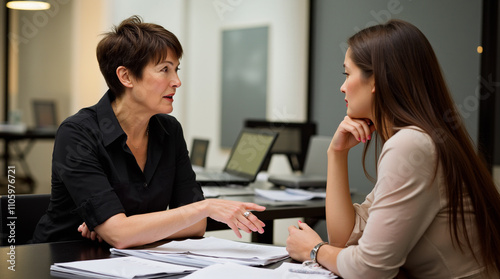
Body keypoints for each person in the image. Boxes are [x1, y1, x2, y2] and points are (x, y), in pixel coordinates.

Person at [286, 19, 500, 278]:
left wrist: (314, 249)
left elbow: (370, 270)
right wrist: (337, 154)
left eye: (347, 74)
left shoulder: (411, 145)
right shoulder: (420, 139)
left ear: (375, 79)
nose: (342, 87)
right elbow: (345, 240)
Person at [31, 15, 266, 248]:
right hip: (61, 259)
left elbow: (196, 226)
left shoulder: (169, 130)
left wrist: (126, 229)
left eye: (176, 69)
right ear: (126, 76)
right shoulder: (77, 133)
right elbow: (124, 234)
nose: (176, 81)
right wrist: (203, 207)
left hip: (131, 262)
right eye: (164, 69)